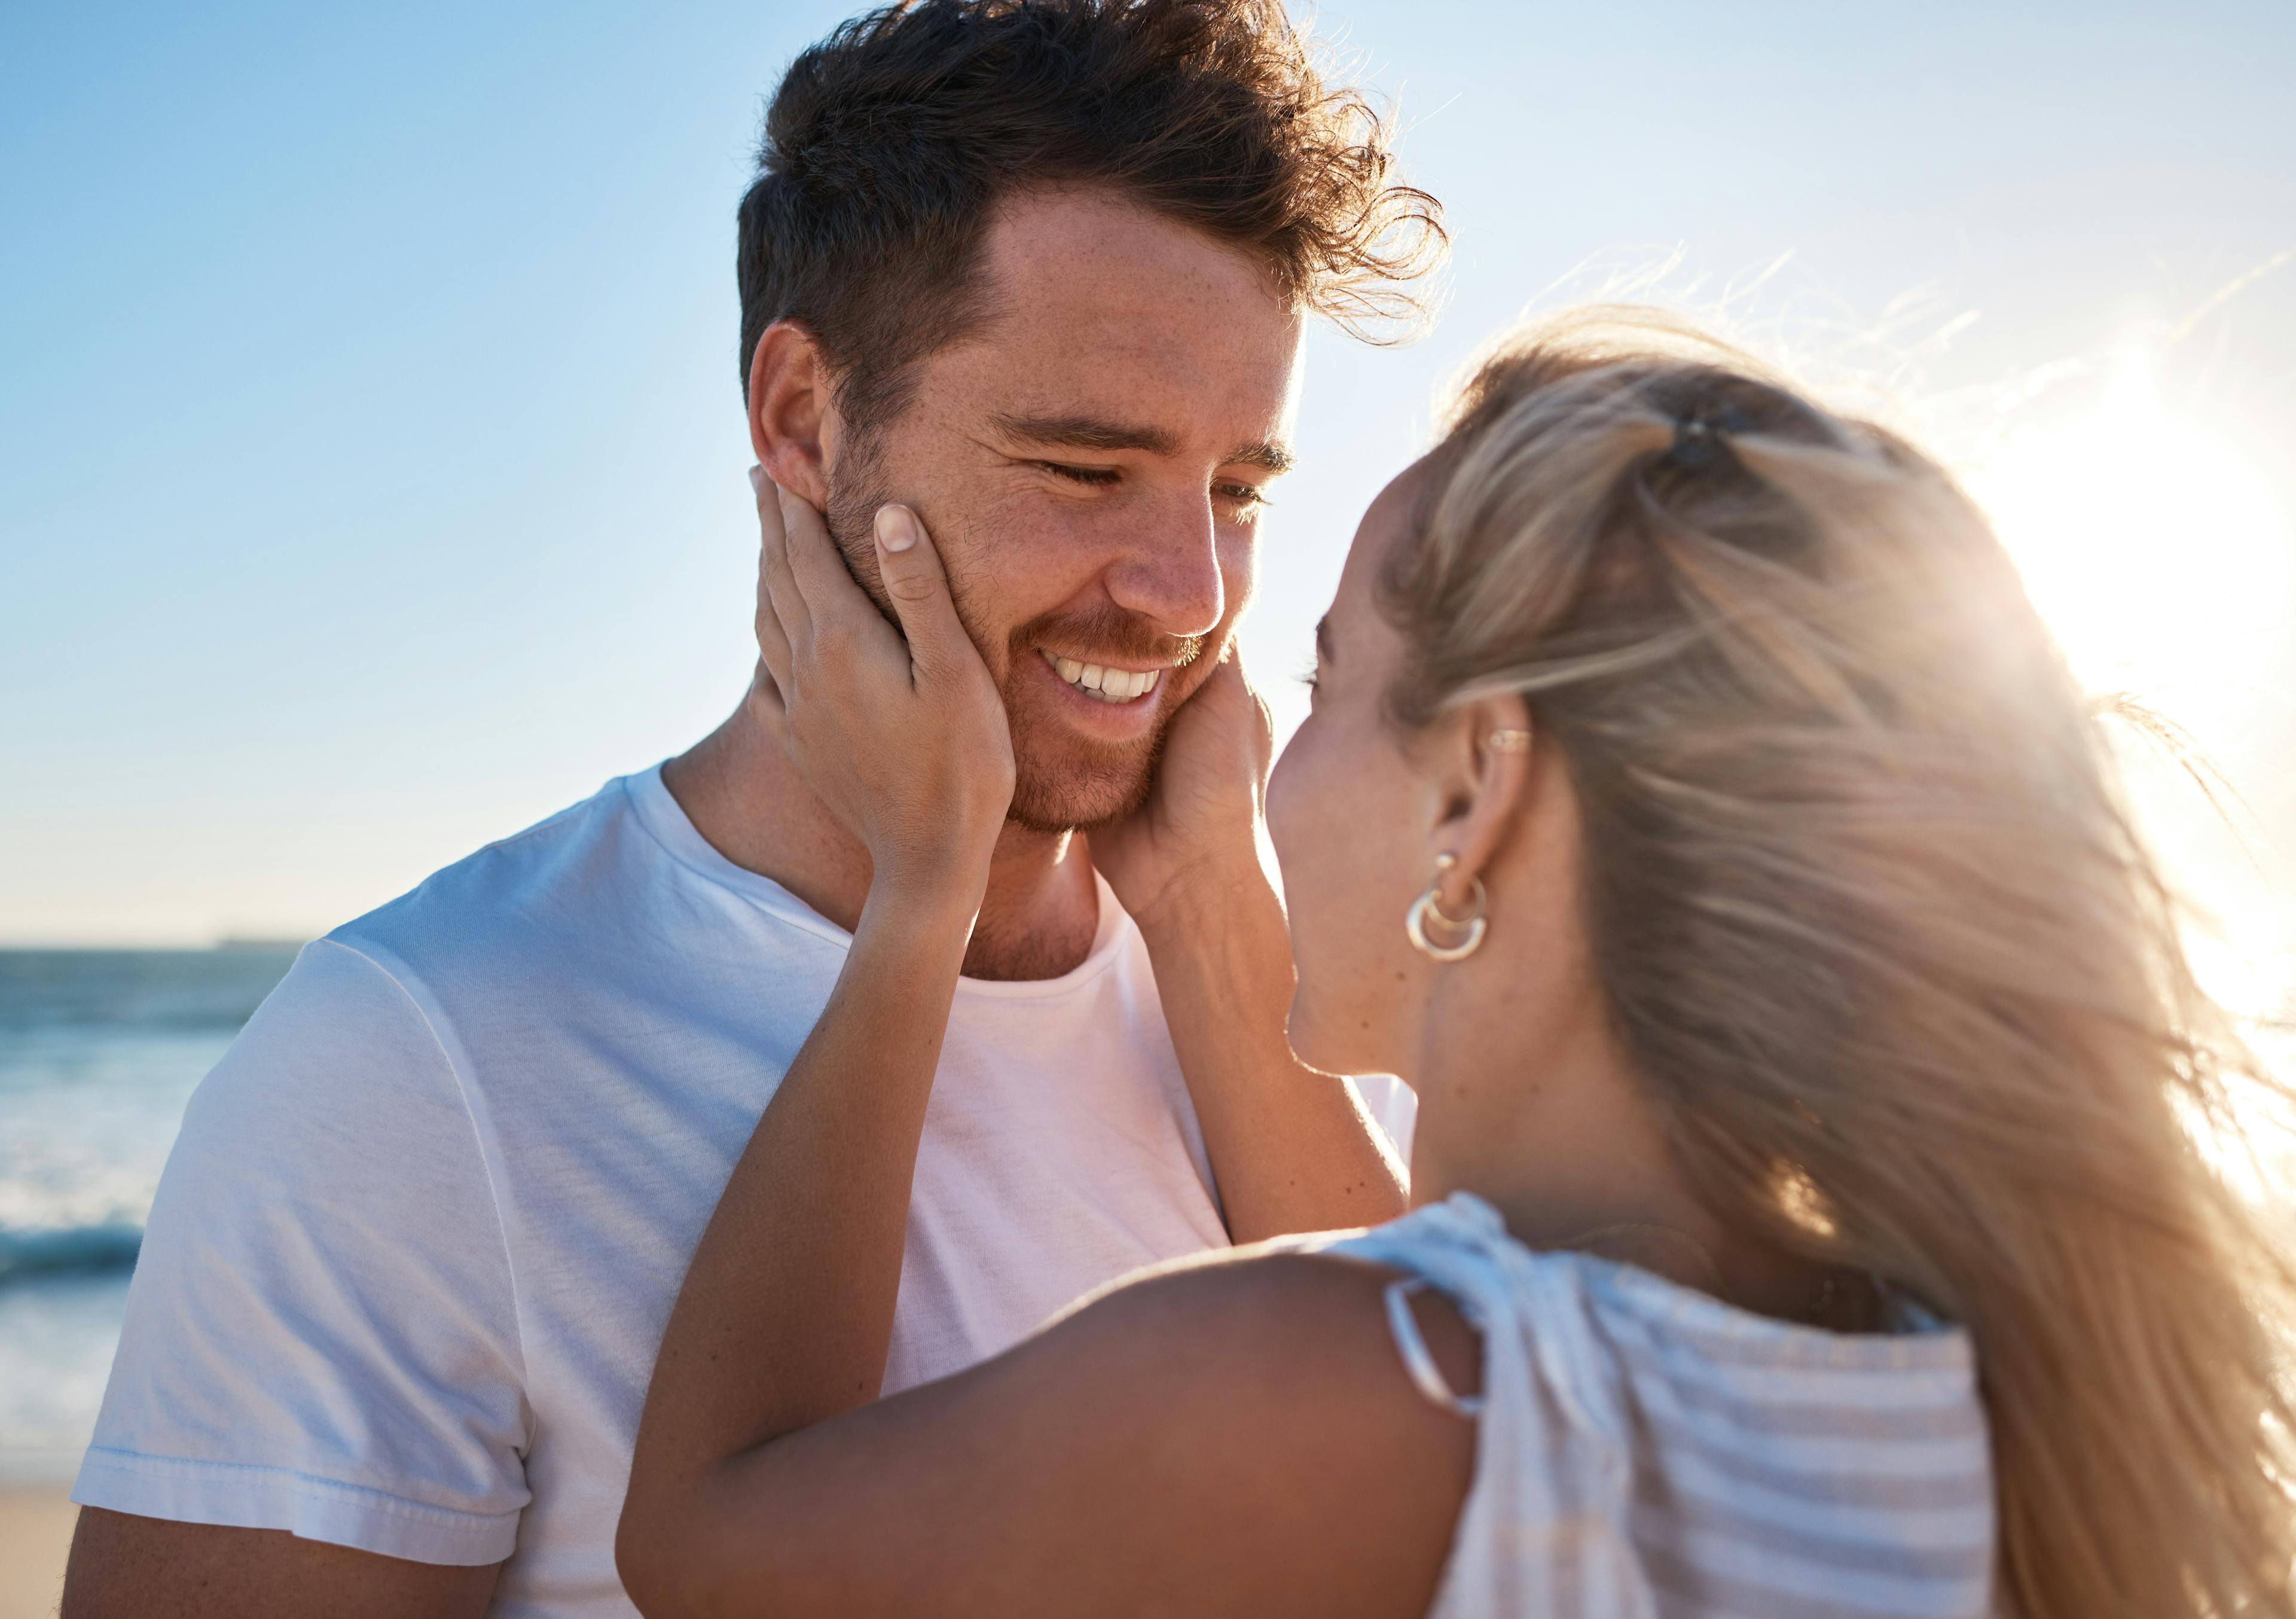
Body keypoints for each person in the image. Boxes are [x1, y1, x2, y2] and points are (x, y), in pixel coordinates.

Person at [60, 4, 1443, 1615]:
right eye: (1084, 467)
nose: (1187, 590)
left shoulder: (1305, 1033)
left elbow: (1477, 1520)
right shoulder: (414, 1057)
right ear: (802, 419)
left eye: (1237, 489)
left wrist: (1210, 910)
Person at [616, 308, 2296, 1619]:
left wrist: (926, 882)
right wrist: (1208, 904)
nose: (1251, 729)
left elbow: (706, 1543)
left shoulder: (1358, 1385)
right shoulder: (1936, 1357)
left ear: (1479, 783)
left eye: (1328, 678)